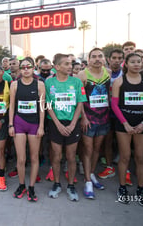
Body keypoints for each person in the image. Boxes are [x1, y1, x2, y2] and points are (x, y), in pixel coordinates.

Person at [111, 53, 143, 207]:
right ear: (126, 64)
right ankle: (122, 188)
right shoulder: (119, 81)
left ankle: (140, 190)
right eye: (133, 62)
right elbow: (115, 105)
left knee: (140, 158)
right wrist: (125, 123)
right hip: (124, 126)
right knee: (124, 157)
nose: (136, 64)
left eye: (139, 61)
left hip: (142, 125)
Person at [46, 54, 87, 202]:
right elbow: (47, 105)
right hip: (55, 123)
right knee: (56, 156)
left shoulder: (76, 82)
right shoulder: (48, 82)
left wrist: (72, 124)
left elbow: (80, 103)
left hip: (72, 123)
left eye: (71, 63)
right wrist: (57, 124)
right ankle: (56, 184)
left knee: (71, 156)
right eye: (66, 64)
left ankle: (70, 185)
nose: (70, 66)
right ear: (57, 67)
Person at [9, 58, 45, 202]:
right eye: (23, 67)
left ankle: (31, 187)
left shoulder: (40, 84)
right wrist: (11, 125)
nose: (25, 69)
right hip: (19, 123)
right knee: (21, 158)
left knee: (34, 157)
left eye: (28, 67)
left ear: (33, 68)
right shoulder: (14, 84)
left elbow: (42, 107)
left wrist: (42, 126)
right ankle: (22, 184)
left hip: (34, 124)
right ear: (20, 69)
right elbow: (11, 105)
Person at [77, 48, 111, 199]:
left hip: (104, 117)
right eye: (94, 56)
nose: (97, 59)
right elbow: (80, 97)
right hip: (88, 118)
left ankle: (91, 174)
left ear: (104, 59)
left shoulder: (108, 73)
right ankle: (88, 181)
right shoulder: (82, 74)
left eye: (100, 56)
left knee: (97, 149)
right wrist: (83, 117)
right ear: (89, 59)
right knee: (88, 149)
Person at [98, 49, 124, 180]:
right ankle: (109, 167)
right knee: (107, 141)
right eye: (114, 58)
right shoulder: (103, 73)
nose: (117, 60)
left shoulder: (125, 74)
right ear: (109, 59)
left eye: (120, 58)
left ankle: (127, 171)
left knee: (124, 143)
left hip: (122, 113)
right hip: (106, 112)